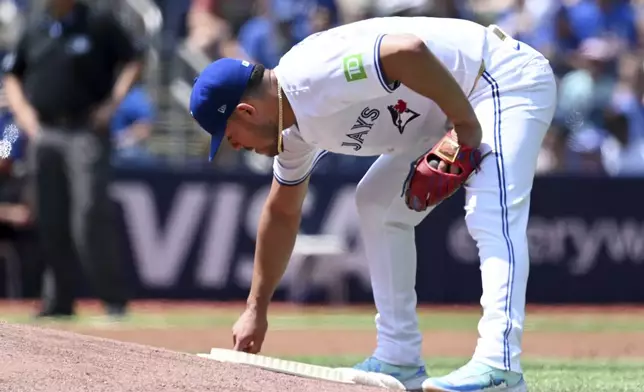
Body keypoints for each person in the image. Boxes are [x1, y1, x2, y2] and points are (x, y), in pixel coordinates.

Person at [190, 16, 556, 392]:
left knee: (491, 211)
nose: (234, 146)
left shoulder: (310, 75)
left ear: (246, 112)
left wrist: (464, 123)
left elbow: (404, 50)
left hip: (498, 79)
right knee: (376, 204)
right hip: (443, 111)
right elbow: (282, 211)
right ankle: (399, 357)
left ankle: (501, 364)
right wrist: (256, 309)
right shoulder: (293, 129)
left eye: (229, 136)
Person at [2, 0, 143, 318]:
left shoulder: (98, 21)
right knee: (49, 218)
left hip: (85, 131)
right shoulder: (35, 24)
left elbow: (135, 58)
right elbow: (12, 74)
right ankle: (59, 301)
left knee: (90, 212)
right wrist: (25, 116)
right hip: (44, 132)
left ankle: (113, 300)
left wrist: (112, 103)